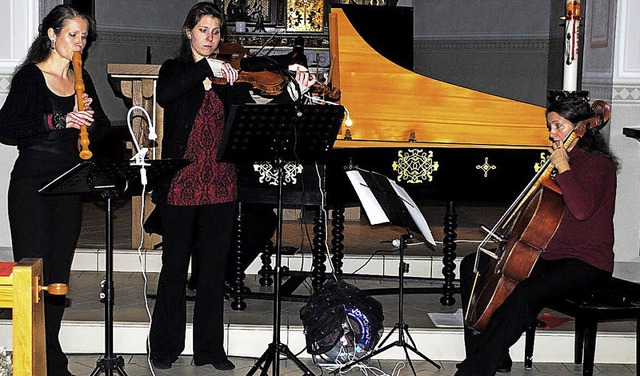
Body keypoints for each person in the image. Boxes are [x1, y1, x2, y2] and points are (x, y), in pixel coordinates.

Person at [148, 2, 316, 371]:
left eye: (216, 32)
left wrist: (292, 95)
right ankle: (164, 346)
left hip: (222, 182)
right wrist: (202, 69)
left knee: (213, 270)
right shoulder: (174, 69)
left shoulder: (231, 77)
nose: (210, 38)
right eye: (203, 30)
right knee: (174, 267)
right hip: (181, 181)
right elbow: (167, 94)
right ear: (188, 32)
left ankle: (209, 350)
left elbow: (257, 112)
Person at [456, 95, 618, 376]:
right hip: (550, 256)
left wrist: (564, 167)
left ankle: (477, 369)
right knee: (473, 265)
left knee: (527, 291)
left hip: (586, 262)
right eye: (550, 126)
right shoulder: (560, 162)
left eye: (558, 126)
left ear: (582, 127)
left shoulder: (597, 165)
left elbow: (580, 211)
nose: (552, 133)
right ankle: (494, 355)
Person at [0, 5, 111, 376]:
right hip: (32, 185)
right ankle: (42, 359)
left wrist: (90, 121)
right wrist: (61, 119)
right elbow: (8, 125)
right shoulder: (31, 78)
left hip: (70, 186)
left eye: (84, 37)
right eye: (72, 35)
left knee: (58, 278)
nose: (79, 44)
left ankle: (49, 355)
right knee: (33, 277)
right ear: (51, 34)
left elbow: (102, 134)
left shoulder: (83, 79)